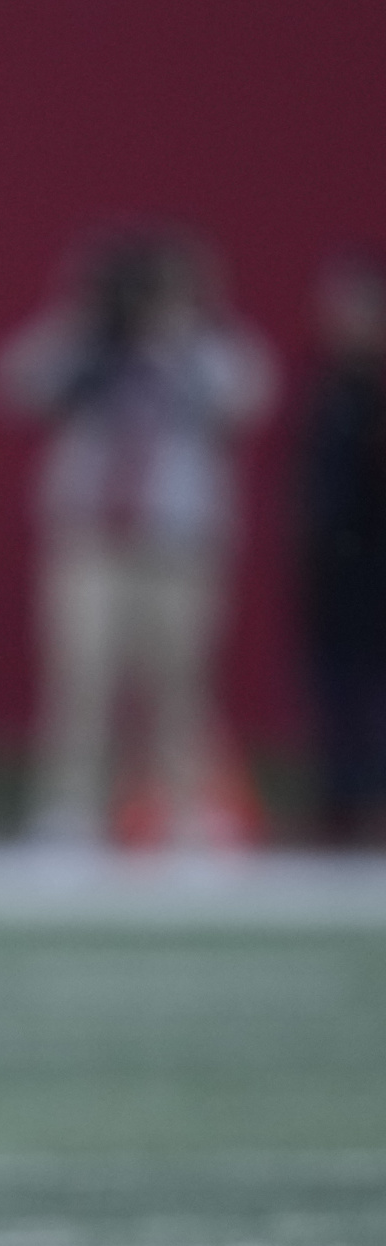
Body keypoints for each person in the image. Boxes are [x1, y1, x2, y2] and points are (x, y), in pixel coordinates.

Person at [0, 231, 277, 848]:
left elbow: (248, 394)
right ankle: (67, 811)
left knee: (180, 681)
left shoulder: (204, 350)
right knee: (82, 675)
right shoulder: (90, 347)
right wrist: (88, 327)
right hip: (92, 539)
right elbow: (15, 385)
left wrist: (176, 341)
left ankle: (187, 811)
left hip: (177, 544)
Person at [296, 255, 386, 845]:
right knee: (336, 684)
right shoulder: (330, 383)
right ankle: (344, 800)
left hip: (376, 553)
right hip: (335, 561)